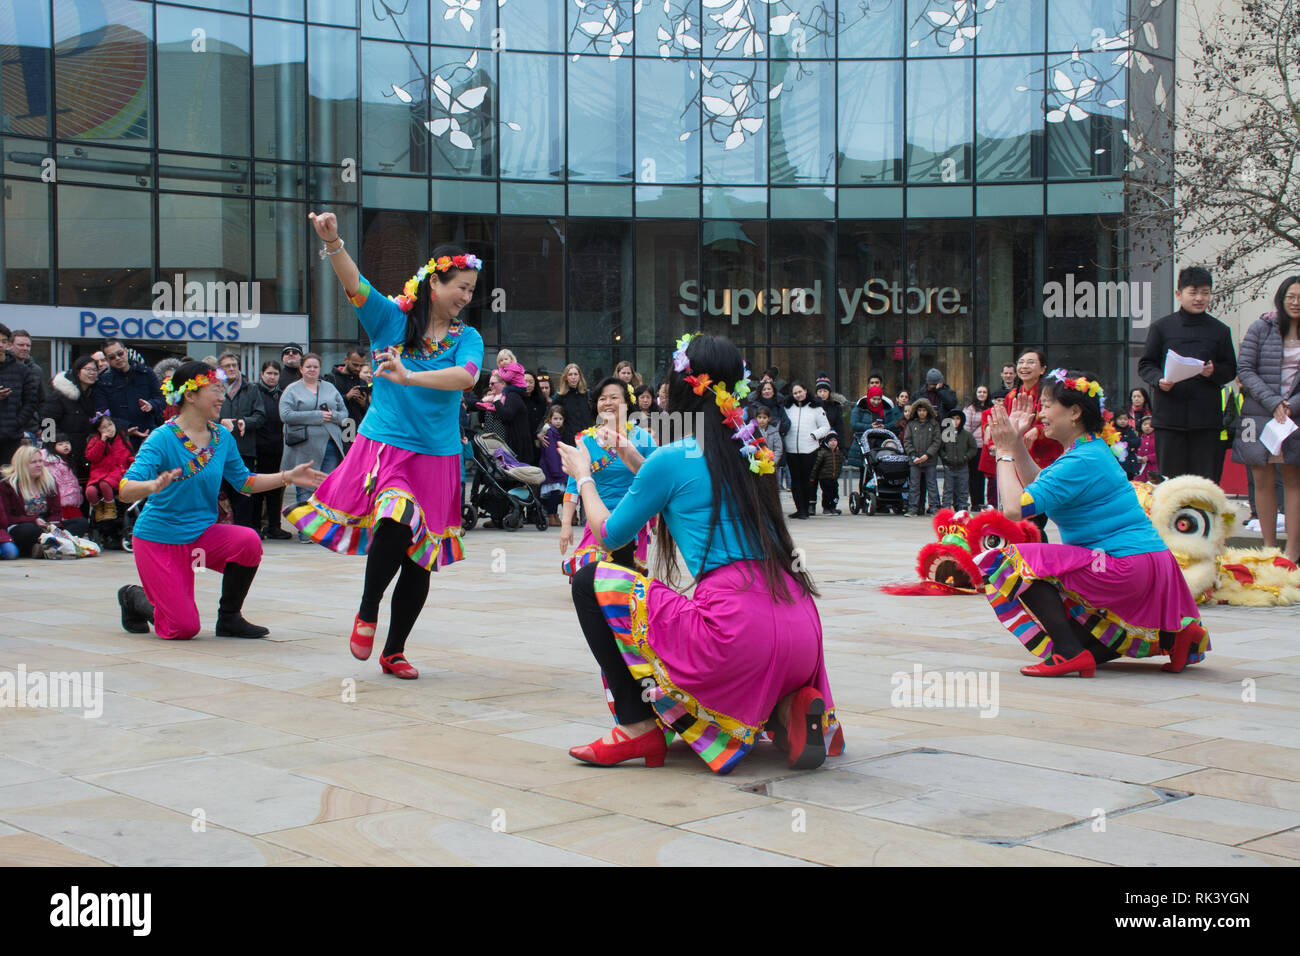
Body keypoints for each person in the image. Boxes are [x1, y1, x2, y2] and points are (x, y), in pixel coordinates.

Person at [556, 334, 841, 772]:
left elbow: (610, 535)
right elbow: (682, 490)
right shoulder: (752, 451)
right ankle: (790, 709)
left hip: (739, 632)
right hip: (800, 625)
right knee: (767, 660)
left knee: (588, 579)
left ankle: (637, 729)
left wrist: (582, 477)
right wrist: (631, 454)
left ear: (684, 388)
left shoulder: (675, 456)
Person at [292, 211, 484, 680]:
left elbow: (467, 377)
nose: (466, 296)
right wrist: (334, 241)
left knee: (420, 558)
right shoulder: (391, 321)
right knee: (396, 522)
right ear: (434, 284)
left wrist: (411, 375)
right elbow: (356, 285)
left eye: (472, 290)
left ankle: (394, 650)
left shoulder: (468, 337)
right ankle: (366, 610)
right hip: (387, 448)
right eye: (461, 285)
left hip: (439, 457)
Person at [979, 371, 1209, 677]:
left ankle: (1068, 653)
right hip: (1148, 563)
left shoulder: (1081, 461)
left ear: (1074, 412)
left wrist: (1004, 451)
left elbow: (1013, 509)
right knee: (1093, 644)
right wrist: (1017, 442)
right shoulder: (1089, 450)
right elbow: (1039, 485)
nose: (1041, 414)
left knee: (1007, 561)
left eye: (1047, 406)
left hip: (1123, 566)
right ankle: (1174, 636)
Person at [115, 362, 325, 638]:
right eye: (215, 389)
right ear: (190, 396)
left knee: (248, 541)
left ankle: (229, 619)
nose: (222, 396)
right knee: (182, 628)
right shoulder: (161, 439)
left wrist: (288, 476)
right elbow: (124, 489)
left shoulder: (221, 437)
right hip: (159, 541)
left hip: (200, 537)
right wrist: (151, 485)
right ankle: (133, 598)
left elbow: (244, 481)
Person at [1138, 266, 1238, 480]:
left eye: (1205, 292)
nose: (1199, 298)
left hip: (1206, 420)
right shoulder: (1161, 328)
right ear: (1178, 294)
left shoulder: (1220, 331)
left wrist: (1213, 372)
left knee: (1205, 483)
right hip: (1169, 419)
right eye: (1193, 292)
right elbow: (1146, 365)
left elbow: (1230, 369)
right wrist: (1159, 380)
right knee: (1171, 484)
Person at [559, 378, 657, 574]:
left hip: (632, 517)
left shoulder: (642, 438)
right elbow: (573, 485)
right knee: (592, 574)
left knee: (622, 574)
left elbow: (658, 478)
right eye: (602, 398)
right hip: (598, 518)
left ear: (627, 403)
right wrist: (566, 525)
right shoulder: (586, 440)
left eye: (614, 397)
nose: (607, 403)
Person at [1233, 276, 1300, 562]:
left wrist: (1290, 406)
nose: (1296, 303)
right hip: (1260, 413)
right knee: (1262, 479)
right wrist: (1274, 403)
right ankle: (1270, 549)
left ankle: (1293, 553)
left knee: (1294, 480)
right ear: (1281, 298)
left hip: (1294, 416)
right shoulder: (1262, 327)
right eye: (1291, 297)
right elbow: (1245, 369)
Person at [279, 353, 346, 518]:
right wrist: (317, 416)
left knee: (326, 486)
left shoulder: (330, 388)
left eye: (315, 367)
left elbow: (344, 413)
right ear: (301, 369)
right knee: (305, 488)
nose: (312, 370)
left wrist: (333, 416)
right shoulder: (292, 390)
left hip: (329, 445)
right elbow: (286, 415)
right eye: (308, 366)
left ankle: (323, 527)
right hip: (303, 447)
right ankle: (305, 529)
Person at [1, 445, 91, 559]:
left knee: (81, 522)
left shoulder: (49, 483)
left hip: (47, 527)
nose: (39, 465)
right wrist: (33, 520)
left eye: (40, 461)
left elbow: (56, 512)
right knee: (29, 530)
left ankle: (44, 548)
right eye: (33, 462)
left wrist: (51, 524)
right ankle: (52, 546)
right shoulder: (8, 486)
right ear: (22, 465)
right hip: (23, 526)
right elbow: (8, 518)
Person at [215, 352, 265, 530]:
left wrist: (246, 422)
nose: (231, 369)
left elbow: (260, 416)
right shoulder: (215, 389)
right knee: (220, 497)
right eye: (227, 366)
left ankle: (245, 532)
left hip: (244, 450)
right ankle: (222, 531)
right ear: (220, 370)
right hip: (218, 452)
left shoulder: (251, 389)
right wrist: (220, 422)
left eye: (234, 365)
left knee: (244, 496)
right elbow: (204, 417)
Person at [93, 338, 163, 451]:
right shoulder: (103, 381)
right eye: (112, 357)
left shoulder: (146, 372)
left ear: (126, 351)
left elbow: (161, 399)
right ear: (107, 359)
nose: (118, 358)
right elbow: (102, 413)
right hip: (120, 440)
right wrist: (125, 429)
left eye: (120, 353)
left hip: (149, 435)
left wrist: (151, 405)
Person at [41, 355, 100, 487]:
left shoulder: (94, 395)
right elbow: (47, 423)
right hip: (64, 456)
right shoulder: (60, 394)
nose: (92, 373)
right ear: (77, 371)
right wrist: (54, 447)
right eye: (88, 369)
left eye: (95, 370)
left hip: (86, 456)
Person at [783, 382, 831, 520]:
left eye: (800, 391)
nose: (798, 395)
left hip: (809, 449)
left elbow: (825, 427)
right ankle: (800, 509)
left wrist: (814, 435)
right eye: (795, 393)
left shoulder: (816, 407)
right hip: (791, 448)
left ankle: (806, 508)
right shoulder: (788, 407)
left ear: (805, 390)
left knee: (806, 480)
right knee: (795, 480)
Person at [253, 360, 290, 539]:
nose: (272, 377)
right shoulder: (254, 393)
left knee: (276, 490)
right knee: (258, 491)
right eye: (269, 373)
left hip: (278, 448)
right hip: (259, 448)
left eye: (275, 374)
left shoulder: (283, 395)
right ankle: (257, 525)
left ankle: (274, 526)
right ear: (262, 374)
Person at [0, 323, 38, 465]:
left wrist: (17, 424)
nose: (0, 345)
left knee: (10, 480)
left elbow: (32, 401)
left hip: (11, 436)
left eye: (4, 341)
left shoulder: (21, 370)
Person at [84, 414, 134, 520]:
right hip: (99, 473)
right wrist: (102, 442)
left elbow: (129, 456)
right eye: (103, 427)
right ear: (98, 430)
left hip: (118, 472)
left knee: (105, 484)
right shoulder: (95, 440)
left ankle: (110, 509)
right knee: (90, 491)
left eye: (110, 425)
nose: (108, 429)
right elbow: (92, 457)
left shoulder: (122, 439)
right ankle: (98, 511)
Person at [328, 347, 372, 449]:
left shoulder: (362, 382)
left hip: (356, 432)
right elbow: (326, 404)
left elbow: (368, 411)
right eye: (355, 364)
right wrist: (346, 397)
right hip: (337, 431)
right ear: (345, 360)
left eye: (361, 366)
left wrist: (364, 404)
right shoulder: (331, 379)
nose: (357, 368)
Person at [904, 397, 941, 516]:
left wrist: (927, 454)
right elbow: (907, 441)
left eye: (924, 410)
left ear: (928, 411)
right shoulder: (911, 424)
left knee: (932, 484)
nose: (922, 413)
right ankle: (913, 508)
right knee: (914, 484)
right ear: (916, 411)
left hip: (930, 459)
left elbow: (937, 441)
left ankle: (934, 507)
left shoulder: (934, 424)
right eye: (919, 410)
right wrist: (913, 455)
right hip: (914, 460)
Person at [939, 408, 978, 511]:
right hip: (949, 467)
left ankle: (962, 506)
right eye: (952, 419)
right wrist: (945, 457)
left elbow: (973, 448)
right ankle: (946, 507)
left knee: (963, 488)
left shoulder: (967, 435)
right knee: (948, 489)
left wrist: (966, 457)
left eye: (957, 419)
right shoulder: (946, 434)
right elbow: (940, 449)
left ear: (962, 420)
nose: (955, 421)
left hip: (963, 467)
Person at [964, 385, 994, 507]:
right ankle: (976, 502)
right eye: (979, 392)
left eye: (984, 392)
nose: (982, 394)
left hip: (987, 446)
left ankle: (989, 502)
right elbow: (966, 427)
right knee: (975, 476)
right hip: (975, 446)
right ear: (975, 394)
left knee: (987, 475)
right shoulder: (970, 408)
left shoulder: (991, 407)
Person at [538, 405, 567, 526]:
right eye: (555, 418)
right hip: (551, 468)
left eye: (560, 419)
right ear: (550, 419)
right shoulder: (549, 432)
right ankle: (551, 515)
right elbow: (550, 453)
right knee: (554, 493)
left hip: (555, 467)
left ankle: (554, 515)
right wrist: (555, 470)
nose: (558, 421)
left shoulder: (555, 432)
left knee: (557, 494)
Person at [555, 363, 591, 443]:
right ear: (566, 377)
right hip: (570, 439)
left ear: (580, 376)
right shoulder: (561, 396)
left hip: (588, 438)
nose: (573, 377)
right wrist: (541, 431)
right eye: (570, 374)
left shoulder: (587, 394)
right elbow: (548, 414)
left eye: (576, 374)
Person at [810, 433, 844, 515]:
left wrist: (837, 475)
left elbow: (840, 465)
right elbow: (816, 466)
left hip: (834, 477)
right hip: (824, 477)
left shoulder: (839, 453)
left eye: (835, 440)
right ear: (826, 442)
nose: (833, 443)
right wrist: (812, 476)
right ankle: (826, 508)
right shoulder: (822, 452)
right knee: (827, 493)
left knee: (835, 493)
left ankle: (833, 507)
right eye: (831, 441)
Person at [8, 330, 46, 402]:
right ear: (10, 346)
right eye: (21, 345)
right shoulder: (3, 367)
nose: (25, 348)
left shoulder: (36, 370)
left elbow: (41, 399)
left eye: (28, 345)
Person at [814, 375, 847, 441]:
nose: (822, 394)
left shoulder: (835, 406)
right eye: (820, 391)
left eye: (825, 391)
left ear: (829, 392)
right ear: (817, 393)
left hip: (832, 441)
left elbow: (840, 428)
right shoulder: (813, 406)